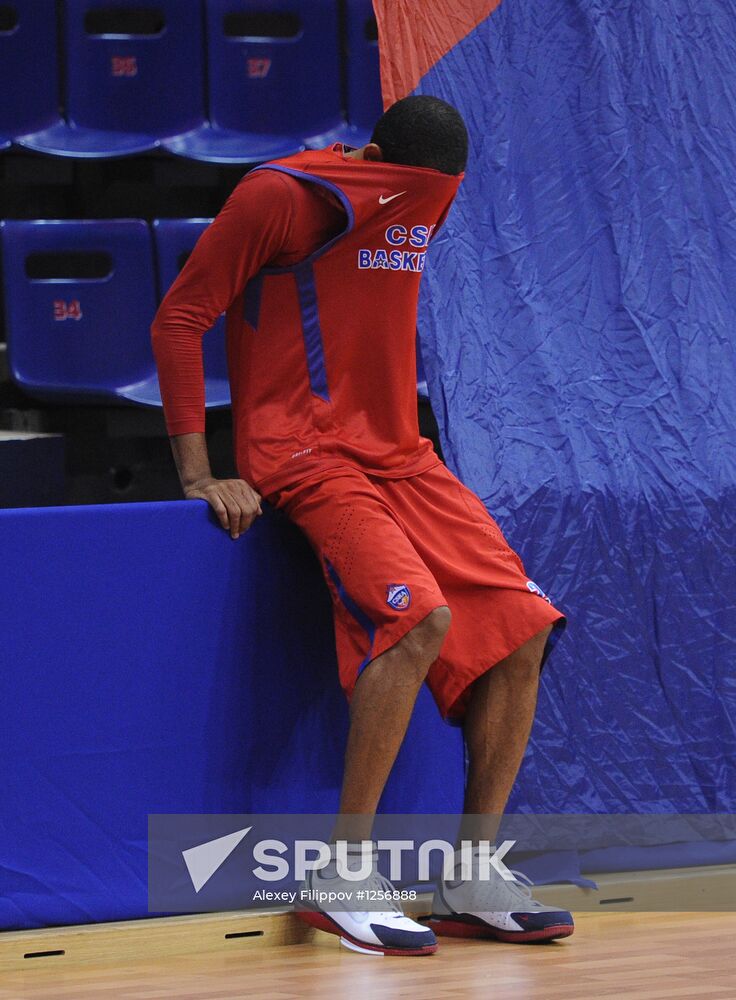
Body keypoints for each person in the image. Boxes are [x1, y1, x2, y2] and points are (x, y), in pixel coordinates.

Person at [152, 95, 573, 957]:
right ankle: (344, 870)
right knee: (418, 616)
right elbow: (181, 317)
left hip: (399, 451)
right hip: (303, 449)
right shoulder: (280, 196)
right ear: (373, 155)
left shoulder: (434, 188)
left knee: (525, 627)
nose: (432, 201)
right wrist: (199, 472)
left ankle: (471, 873)